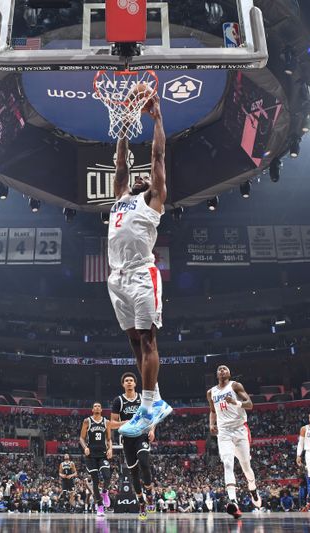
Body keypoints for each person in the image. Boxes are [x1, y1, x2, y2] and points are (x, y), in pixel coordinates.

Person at [108, 93, 173, 438]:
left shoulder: (153, 200)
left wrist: (157, 118)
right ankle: (156, 398)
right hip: (116, 278)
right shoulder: (122, 198)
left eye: (145, 179)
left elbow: (158, 155)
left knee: (149, 340)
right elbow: (121, 166)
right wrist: (122, 127)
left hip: (140, 273)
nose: (139, 179)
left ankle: (148, 407)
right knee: (134, 342)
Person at [207, 365, 262, 520]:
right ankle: (233, 501)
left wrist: (235, 402)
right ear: (216, 374)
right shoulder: (211, 392)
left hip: (240, 430)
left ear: (229, 373)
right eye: (219, 369)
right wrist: (211, 424)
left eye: (225, 369)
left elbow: (250, 404)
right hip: (224, 432)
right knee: (227, 463)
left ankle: (253, 488)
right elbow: (212, 411)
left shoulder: (235, 386)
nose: (222, 370)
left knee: (246, 466)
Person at [108, 372, 156, 519]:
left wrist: (153, 430)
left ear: (135, 384)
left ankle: (149, 493)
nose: (129, 382)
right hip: (127, 438)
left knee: (144, 462)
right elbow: (112, 424)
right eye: (126, 381)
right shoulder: (118, 401)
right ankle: (141, 502)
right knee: (133, 473)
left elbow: (151, 416)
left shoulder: (142, 398)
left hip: (141, 434)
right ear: (123, 384)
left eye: (131, 380)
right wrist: (126, 422)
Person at [79, 403, 112, 517]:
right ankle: (100, 506)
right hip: (91, 455)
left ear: (101, 409)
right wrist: (85, 447)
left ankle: (105, 492)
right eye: (95, 406)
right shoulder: (87, 421)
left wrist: (110, 449)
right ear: (92, 409)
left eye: (99, 406)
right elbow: (81, 438)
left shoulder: (106, 422)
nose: (97, 407)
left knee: (107, 476)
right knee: (95, 480)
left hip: (102, 454)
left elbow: (109, 439)